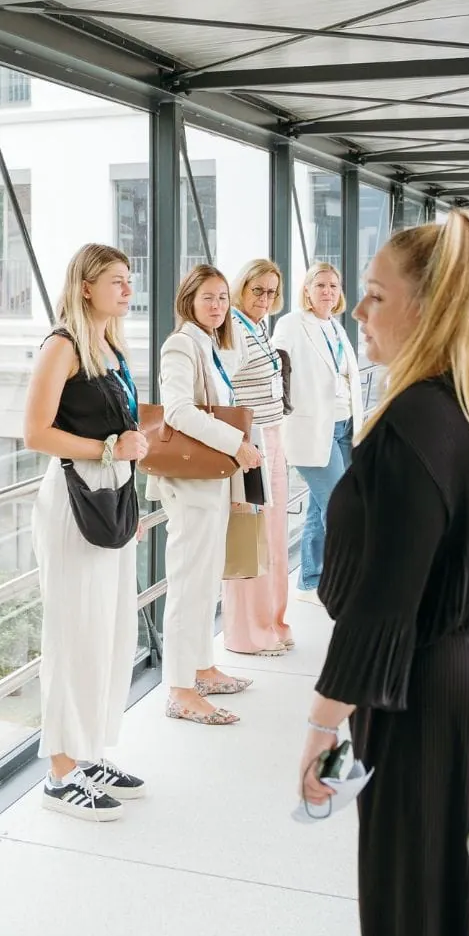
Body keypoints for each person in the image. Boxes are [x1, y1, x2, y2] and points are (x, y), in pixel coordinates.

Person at [296, 211, 469, 936]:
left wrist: (321, 726)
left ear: (427, 307)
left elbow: (385, 598)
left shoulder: (416, 417)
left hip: (432, 696)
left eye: (375, 295)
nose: (358, 310)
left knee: (415, 917)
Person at [23, 244, 152, 820]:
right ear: (85, 287)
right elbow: (35, 433)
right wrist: (108, 447)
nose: (127, 289)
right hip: (75, 503)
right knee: (74, 633)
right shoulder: (63, 346)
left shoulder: (111, 346)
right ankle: (58, 772)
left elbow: (119, 434)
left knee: (107, 631)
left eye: (129, 280)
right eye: (116, 281)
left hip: (109, 499)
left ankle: (87, 753)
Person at [151, 265, 263, 726]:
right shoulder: (181, 344)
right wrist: (236, 445)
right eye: (207, 298)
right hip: (192, 483)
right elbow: (177, 411)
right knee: (188, 583)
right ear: (188, 301)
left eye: (222, 298)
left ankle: (201, 667)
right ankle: (180, 690)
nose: (217, 306)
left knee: (204, 580)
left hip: (211, 480)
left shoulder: (211, 345)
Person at [273, 262, 361, 602]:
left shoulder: (335, 327)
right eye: (320, 285)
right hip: (312, 428)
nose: (327, 291)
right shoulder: (292, 324)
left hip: (344, 425)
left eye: (333, 286)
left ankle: (311, 580)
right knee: (339, 506)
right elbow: (275, 369)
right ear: (307, 290)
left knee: (317, 506)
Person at [221, 259, 295, 657]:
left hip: (270, 438)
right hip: (249, 444)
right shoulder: (233, 329)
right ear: (241, 288)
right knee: (252, 540)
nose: (264, 299)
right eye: (257, 291)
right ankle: (248, 632)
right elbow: (224, 390)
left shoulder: (260, 328)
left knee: (274, 536)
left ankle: (272, 622)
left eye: (271, 292)